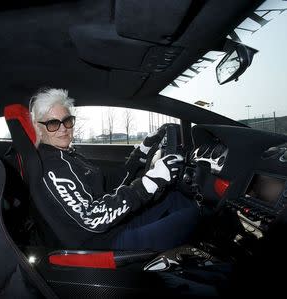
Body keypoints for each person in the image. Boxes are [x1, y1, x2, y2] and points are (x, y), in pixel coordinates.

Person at [30, 88, 200, 251]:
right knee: (193, 216)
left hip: (114, 225)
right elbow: (91, 218)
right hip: (102, 242)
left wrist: (140, 153)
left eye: (67, 121)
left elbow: (108, 182)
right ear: (38, 128)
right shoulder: (54, 167)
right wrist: (148, 184)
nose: (63, 128)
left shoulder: (68, 155)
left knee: (175, 198)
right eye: (53, 123)